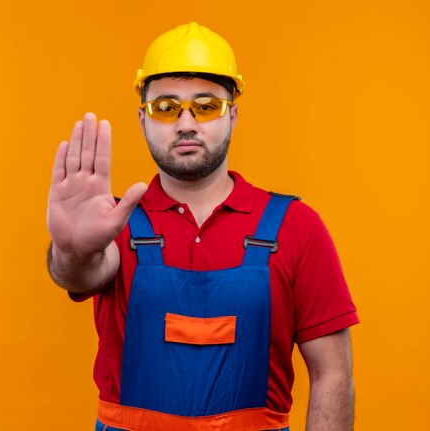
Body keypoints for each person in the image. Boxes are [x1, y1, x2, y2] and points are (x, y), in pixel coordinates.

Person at [47, 22, 359, 431]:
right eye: (166, 107)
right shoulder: (113, 221)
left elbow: (333, 374)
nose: (186, 123)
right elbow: (82, 273)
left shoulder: (296, 227)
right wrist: (72, 249)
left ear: (233, 115)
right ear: (143, 119)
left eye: (207, 105)